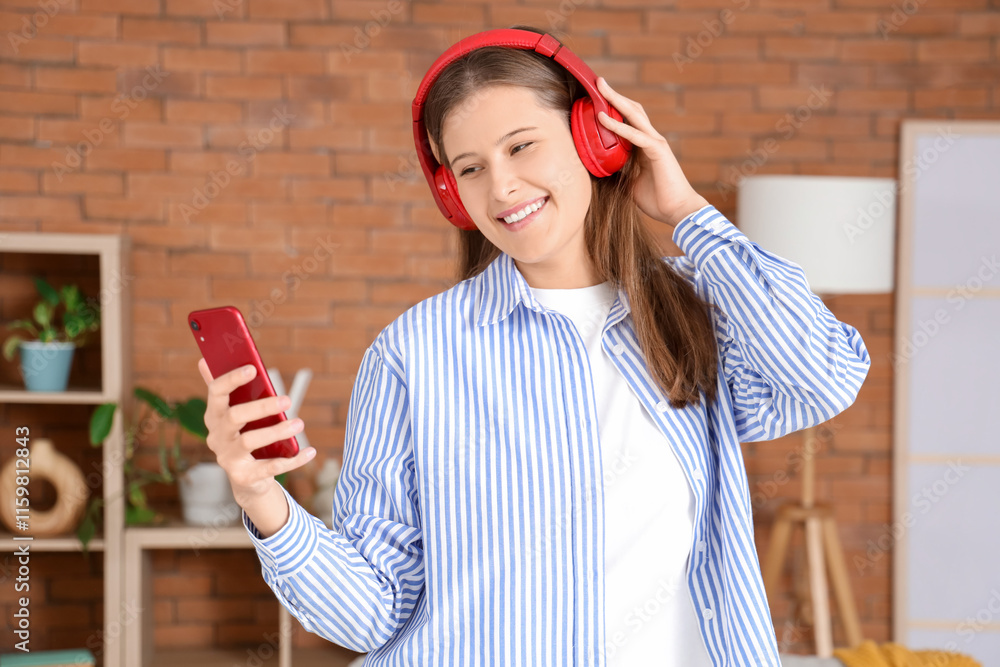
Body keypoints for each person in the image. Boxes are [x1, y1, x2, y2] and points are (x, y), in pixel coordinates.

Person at [197, 25, 871, 666]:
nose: (502, 187)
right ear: (452, 193)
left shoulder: (694, 312)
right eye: (471, 167)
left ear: (595, 139)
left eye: (521, 147)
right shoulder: (414, 353)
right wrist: (261, 497)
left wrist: (687, 211)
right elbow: (369, 615)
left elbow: (824, 376)